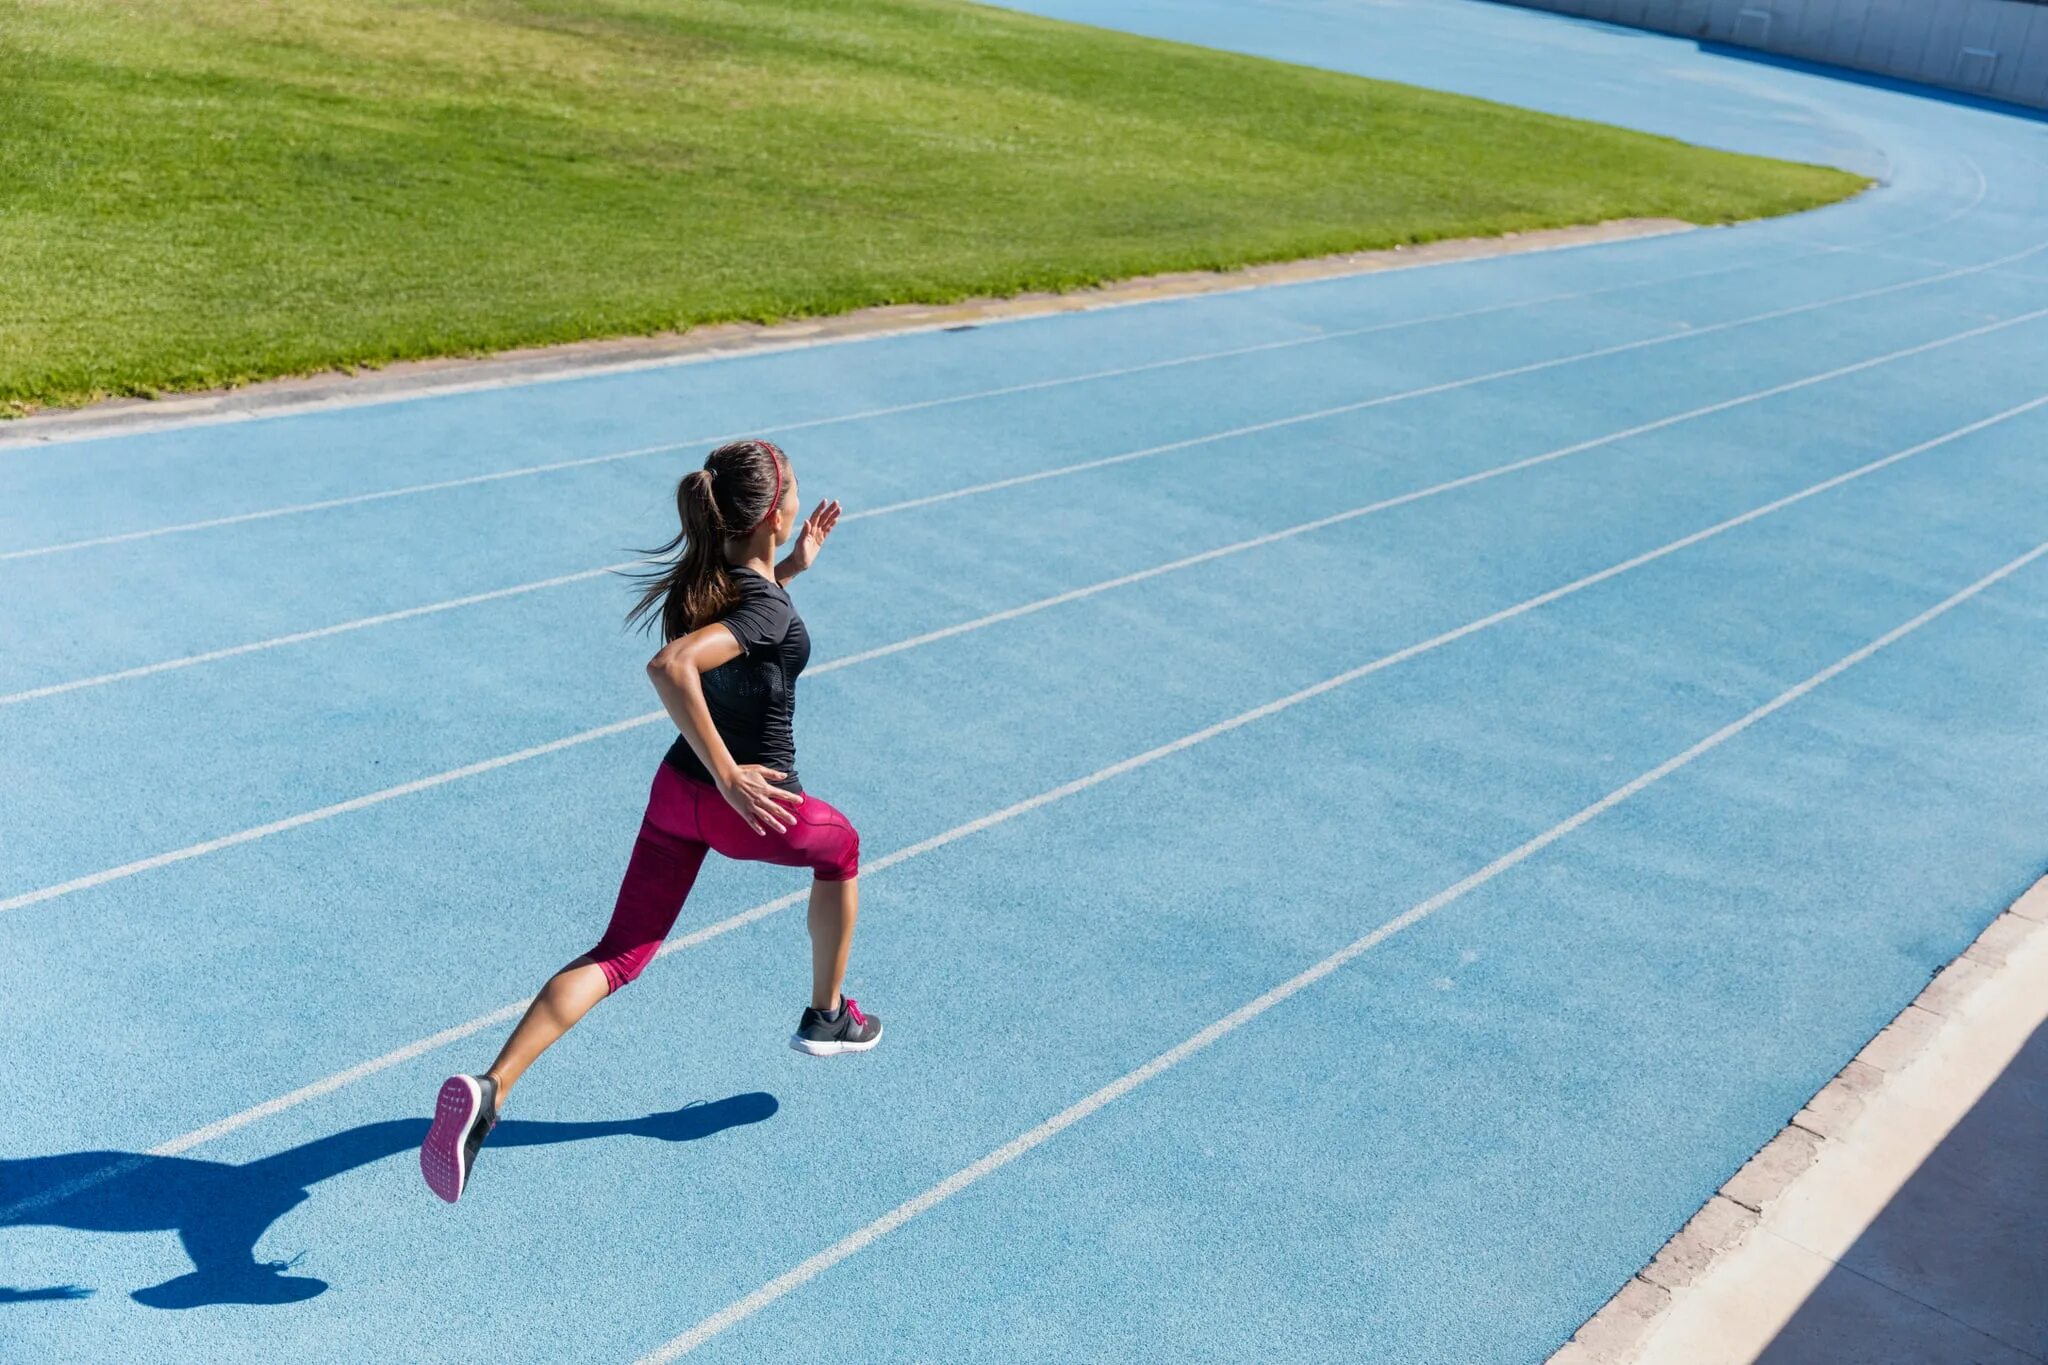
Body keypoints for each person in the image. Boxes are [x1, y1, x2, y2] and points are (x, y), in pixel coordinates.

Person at [420, 438, 878, 1204]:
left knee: (620, 952)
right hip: (750, 810)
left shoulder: (715, 580)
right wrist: (733, 774)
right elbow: (673, 666)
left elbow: (745, 627)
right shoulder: (756, 605)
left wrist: (792, 567)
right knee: (844, 849)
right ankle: (828, 1013)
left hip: (675, 796)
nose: (800, 495)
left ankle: (490, 1089)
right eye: (793, 486)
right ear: (773, 511)